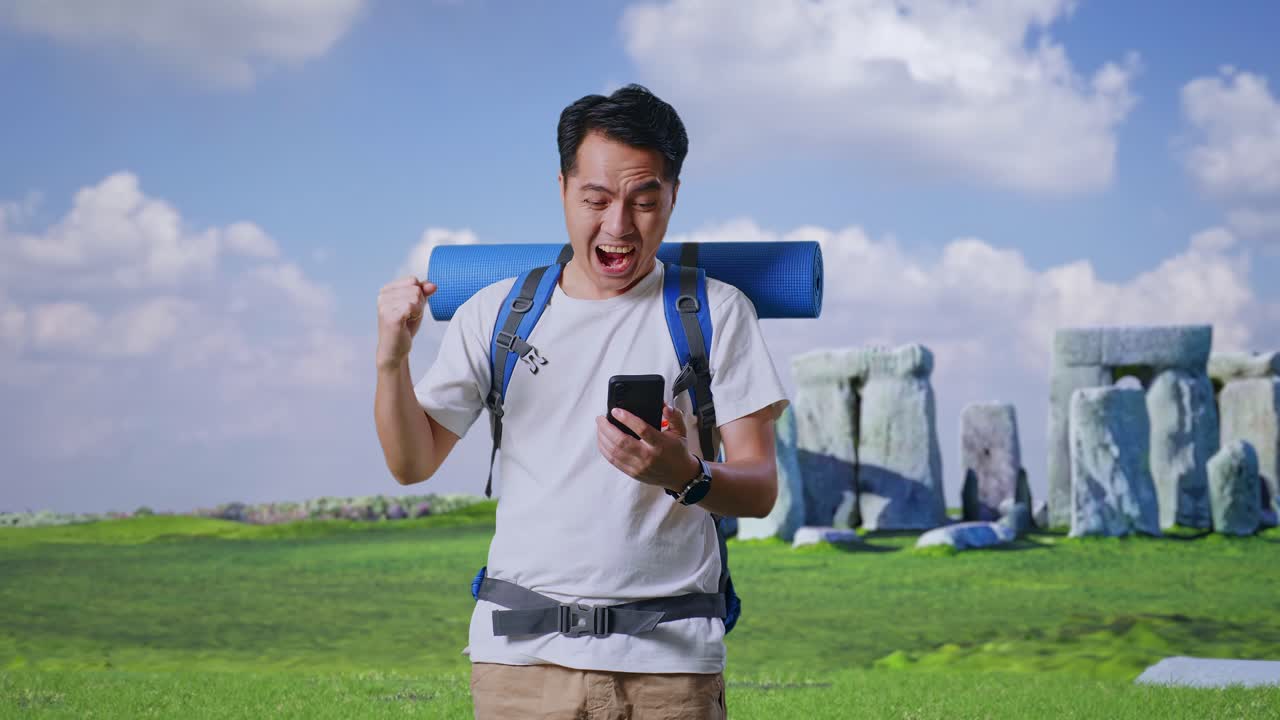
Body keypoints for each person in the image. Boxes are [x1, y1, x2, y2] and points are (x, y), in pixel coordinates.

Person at [374, 84, 789, 719]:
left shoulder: (716, 312)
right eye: (595, 199)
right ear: (563, 188)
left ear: (672, 197)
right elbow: (411, 464)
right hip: (520, 664)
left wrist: (685, 475)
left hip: (669, 667)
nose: (618, 226)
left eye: (644, 201)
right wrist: (391, 361)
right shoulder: (497, 314)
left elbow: (759, 489)